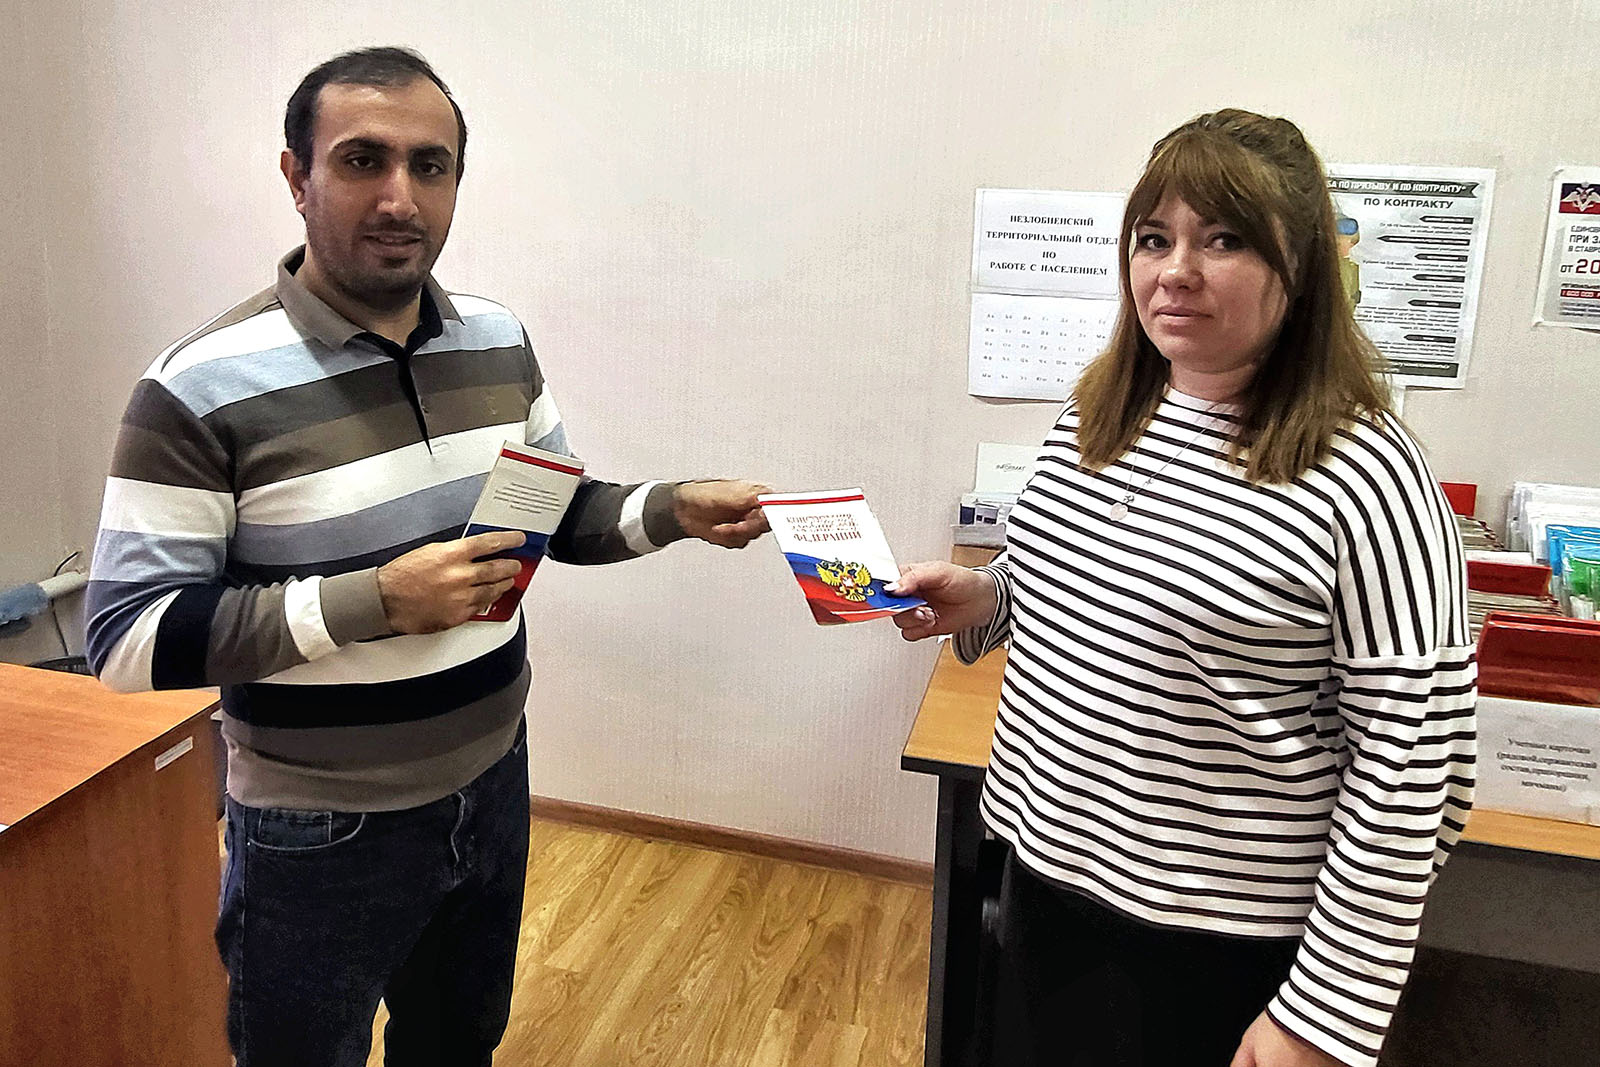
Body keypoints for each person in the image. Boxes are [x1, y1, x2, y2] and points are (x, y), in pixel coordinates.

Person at [83, 46, 768, 1066]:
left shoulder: (496, 339)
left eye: (430, 165)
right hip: (317, 833)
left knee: (457, 1045)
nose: (400, 197)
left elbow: (551, 515)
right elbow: (125, 638)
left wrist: (671, 508)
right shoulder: (195, 388)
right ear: (296, 177)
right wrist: (374, 601)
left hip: (491, 785)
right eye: (362, 160)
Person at [890, 109, 1475, 1067]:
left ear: (1301, 269)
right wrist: (986, 597)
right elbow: (1071, 587)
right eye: (1155, 238)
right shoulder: (1100, 413)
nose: (1176, 271)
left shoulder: (1366, 470)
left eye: (1225, 240)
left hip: (1218, 946)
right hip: (1048, 883)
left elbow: (1418, 765)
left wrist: (1323, 1014)